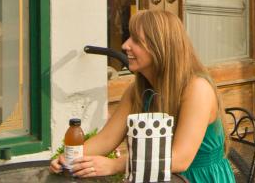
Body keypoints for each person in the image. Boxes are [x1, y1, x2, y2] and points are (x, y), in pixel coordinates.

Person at [54, 10, 234, 182]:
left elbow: (180, 160)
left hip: (198, 178)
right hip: (158, 178)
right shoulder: (138, 91)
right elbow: (107, 139)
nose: (125, 45)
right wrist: (69, 158)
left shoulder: (197, 89)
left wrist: (115, 165)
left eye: (137, 41)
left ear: (160, 47)